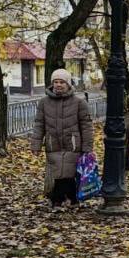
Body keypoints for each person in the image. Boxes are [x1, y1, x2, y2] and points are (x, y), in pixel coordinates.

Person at [31, 69, 93, 207]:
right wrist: (35, 145)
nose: (58, 85)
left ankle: (59, 200)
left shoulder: (79, 103)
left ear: (68, 84)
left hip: (73, 144)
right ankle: (69, 199)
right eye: (56, 82)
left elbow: (86, 126)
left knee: (69, 173)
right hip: (53, 144)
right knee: (59, 173)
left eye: (62, 82)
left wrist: (87, 147)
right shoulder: (44, 102)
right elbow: (39, 124)